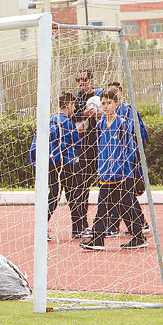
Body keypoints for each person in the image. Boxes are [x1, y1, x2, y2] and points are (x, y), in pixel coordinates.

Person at [81, 87, 148, 251]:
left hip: (122, 175)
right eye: (103, 103)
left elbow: (130, 150)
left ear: (116, 104)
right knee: (103, 207)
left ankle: (138, 237)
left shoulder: (122, 124)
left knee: (127, 206)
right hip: (106, 174)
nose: (105, 106)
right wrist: (101, 169)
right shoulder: (100, 125)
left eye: (108, 103)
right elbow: (101, 149)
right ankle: (98, 239)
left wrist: (123, 169)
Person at [30, 92, 89, 239]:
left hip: (52, 163)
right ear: (68, 105)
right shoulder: (67, 122)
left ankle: (42, 227)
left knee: (53, 195)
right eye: (74, 106)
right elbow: (77, 143)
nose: (75, 109)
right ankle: (78, 228)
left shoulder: (51, 120)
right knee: (74, 195)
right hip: (66, 163)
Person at [106, 81, 151, 235]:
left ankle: (118, 226)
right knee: (121, 194)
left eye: (115, 93)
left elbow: (134, 133)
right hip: (114, 161)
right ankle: (138, 223)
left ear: (121, 94)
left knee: (123, 193)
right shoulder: (109, 114)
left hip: (126, 159)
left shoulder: (127, 111)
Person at [71, 68, 104, 233]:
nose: (80, 83)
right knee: (81, 187)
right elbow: (69, 117)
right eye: (78, 80)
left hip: (101, 147)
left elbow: (110, 112)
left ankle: (110, 225)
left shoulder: (100, 96)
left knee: (108, 185)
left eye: (83, 79)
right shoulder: (75, 100)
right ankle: (80, 226)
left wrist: (99, 114)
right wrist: (83, 114)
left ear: (91, 80)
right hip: (83, 149)